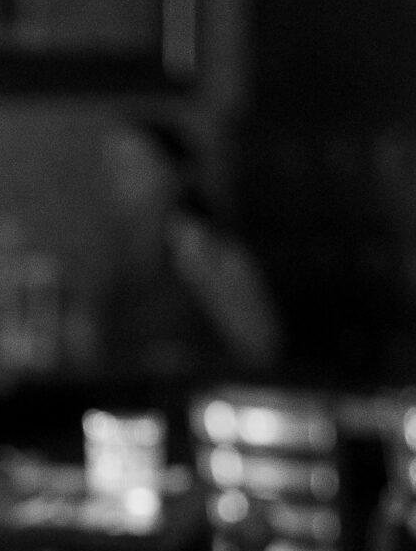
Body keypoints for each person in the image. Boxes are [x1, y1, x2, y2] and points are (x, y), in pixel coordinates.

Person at [96, 112, 282, 379]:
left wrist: (205, 276)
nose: (111, 180)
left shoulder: (203, 248)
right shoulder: (121, 257)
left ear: (174, 174)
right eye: (108, 167)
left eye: (128, 165)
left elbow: (261, 349)